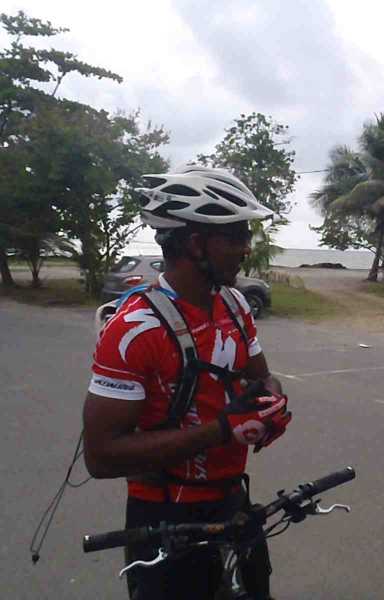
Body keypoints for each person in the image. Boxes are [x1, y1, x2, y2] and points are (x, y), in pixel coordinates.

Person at [82, 165, 290, 600]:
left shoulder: (234, 304)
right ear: (195, 243)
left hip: (232, 502)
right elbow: (100, 456)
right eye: (236, 236)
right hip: (165, 519)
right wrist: (222, 430)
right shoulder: (135, 329)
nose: (246, 248)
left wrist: (271, 403)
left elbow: (261, 377)